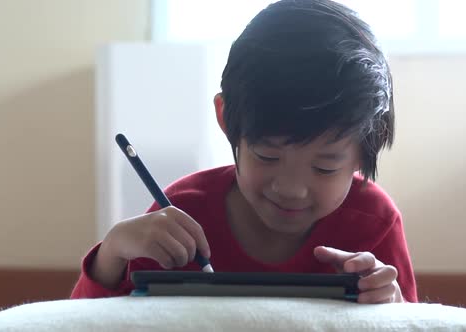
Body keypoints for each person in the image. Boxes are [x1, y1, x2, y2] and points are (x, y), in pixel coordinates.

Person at [71, 0, 418, 303]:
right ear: (225, 118)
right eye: (268, 156)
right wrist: (112, 254)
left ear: (366, 148)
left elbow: (412, 323)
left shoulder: (373, 223)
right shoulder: (183, 213)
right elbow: (90, 322)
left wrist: (392, 304)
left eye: (325, 167)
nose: (291, 189)